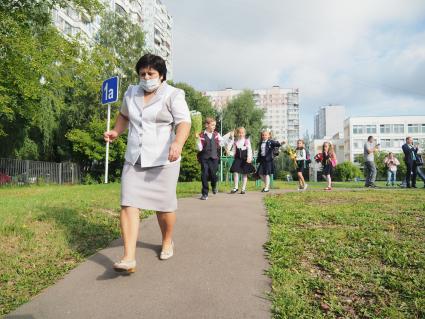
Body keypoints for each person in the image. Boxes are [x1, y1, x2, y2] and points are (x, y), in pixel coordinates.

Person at [103, 54, 191, 273]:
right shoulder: (131, 93)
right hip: (135, 158)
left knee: (164, 208)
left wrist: (178, 143)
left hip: (164, 160)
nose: (146, 77)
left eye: (151, 73)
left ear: (161, 75)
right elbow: (124, 116)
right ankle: (128, 258)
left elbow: (184, 122)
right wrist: (116, 131)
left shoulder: (173, 94)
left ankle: (167, 240)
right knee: (128, 203)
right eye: (142, 73)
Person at [196, 117, 230, 200]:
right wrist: (197, 140)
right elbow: (199, 148)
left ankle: (214, 185)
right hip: (204, 158)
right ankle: (205, 193)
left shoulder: (216, 134)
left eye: (215, 125)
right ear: (206, 125)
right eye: (212, 125)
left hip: (214, 158)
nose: (214, 126)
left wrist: (229, 138)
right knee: (204, 175)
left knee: (213, 175)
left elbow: (222, 143)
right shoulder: (201, 135)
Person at [229, 127, 255, 194]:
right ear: (237, 133)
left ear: (244, 133)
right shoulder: (235, 142)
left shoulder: (246, 141)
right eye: (239, 133)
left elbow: (249, 150)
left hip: (245, 159)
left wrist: (249, 158)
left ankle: (243, 189)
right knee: (235, 171)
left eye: (242, 133)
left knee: (244, 174)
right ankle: (236, 187)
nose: (241, 134)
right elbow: (234, 151)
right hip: (237, 159)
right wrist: (230, 153)